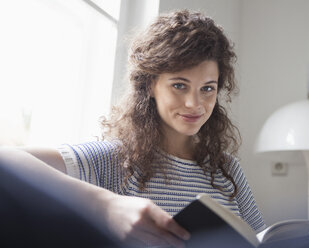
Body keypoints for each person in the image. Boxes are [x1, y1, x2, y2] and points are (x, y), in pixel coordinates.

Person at [2, 10, 265, 247]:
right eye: (179, 85)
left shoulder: (227, 170)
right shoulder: (112, 161)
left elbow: (261, 238)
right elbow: (7, 160)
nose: (194, 103)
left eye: (207, 88)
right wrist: (106, 205)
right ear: (150, 85)